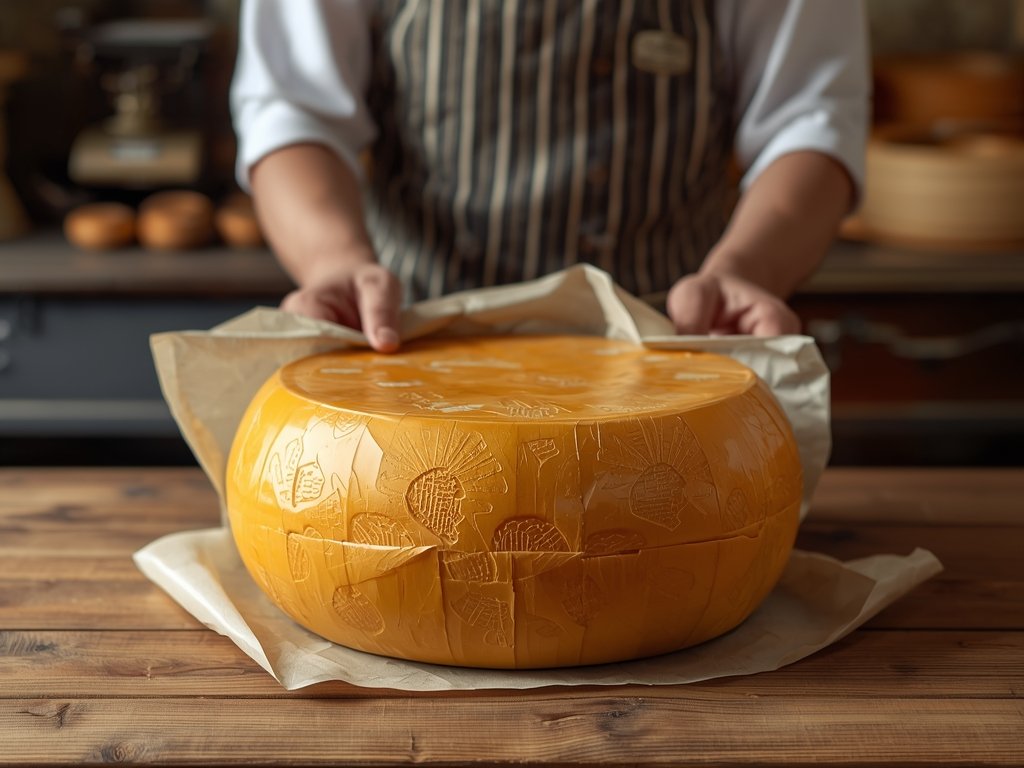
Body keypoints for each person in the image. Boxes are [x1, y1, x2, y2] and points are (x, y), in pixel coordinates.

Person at [231, 0, 868, 352]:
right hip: (409, 347)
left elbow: (807, 121)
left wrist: (746, 273)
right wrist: (331, 260)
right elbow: (293, 109)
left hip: (668, 359)